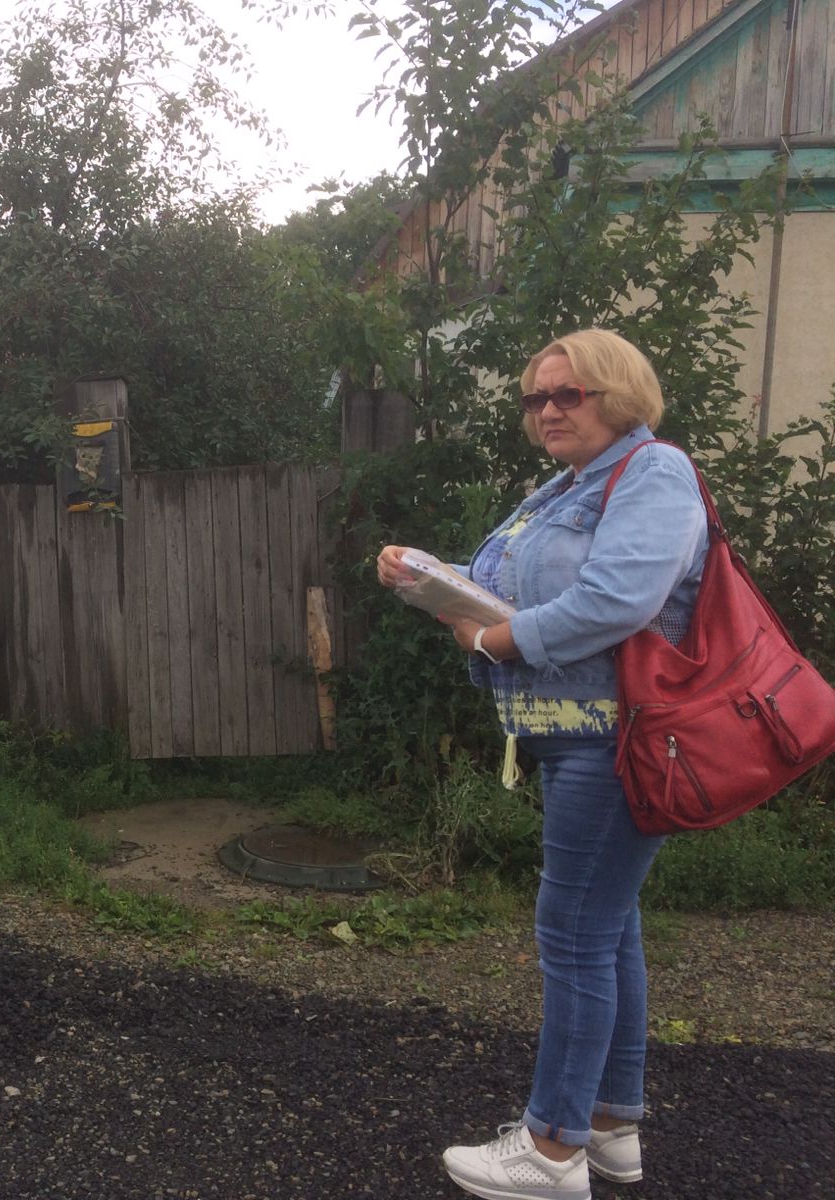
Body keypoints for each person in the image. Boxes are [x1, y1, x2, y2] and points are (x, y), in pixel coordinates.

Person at [377, 329, 708, 1200]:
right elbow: (515, 588)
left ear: (620, 394)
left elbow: (616, 600)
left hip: (616, 740)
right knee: (609, 930)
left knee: (573, 937)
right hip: (571, 738)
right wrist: (425, 572)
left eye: (570, 393)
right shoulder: (565, 488)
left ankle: (552, 1151)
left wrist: (494, 640)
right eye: (536, 398)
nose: (549, 410)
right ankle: (610, 1127)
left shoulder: (654, 472)